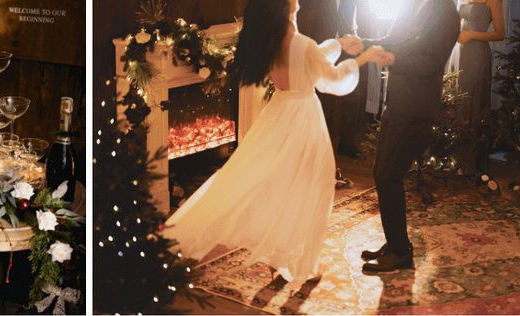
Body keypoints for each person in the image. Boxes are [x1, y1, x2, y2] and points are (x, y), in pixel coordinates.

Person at [164, 0, 388, 286]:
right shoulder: (302, 44)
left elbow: (308, 59)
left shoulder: (267, 41)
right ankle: (304, 265)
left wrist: (338, 44)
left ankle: (276, 256)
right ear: (285, 7)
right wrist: (363, 58)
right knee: (313, 185)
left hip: (278, 113)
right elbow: (330, 79)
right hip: (304, 117)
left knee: (277, 184)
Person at [362, 0, 460, 275]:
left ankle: (401, 252)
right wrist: (363, 43)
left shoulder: (446, 12)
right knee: (382, 172)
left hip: (416, 107)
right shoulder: (415, 4)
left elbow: (432, 62)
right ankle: (395, 243)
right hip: (397, 103)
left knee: (388, 174)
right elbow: (392, 40)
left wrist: (394, 60)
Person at [298, 0, 365, 161]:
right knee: (323, 98)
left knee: (354, 95)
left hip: (347, 43)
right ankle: (319, 144)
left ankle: (347, 143)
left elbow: (354, 14)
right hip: (322, 45)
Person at [457, 1, 505, 177]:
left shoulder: (492, 0)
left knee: (475, 99)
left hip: (478, 53)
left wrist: (472, 35)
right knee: (462, 100)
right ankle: (458, 158)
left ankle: (472, 162)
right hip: (464, 52)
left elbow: (500, 33)